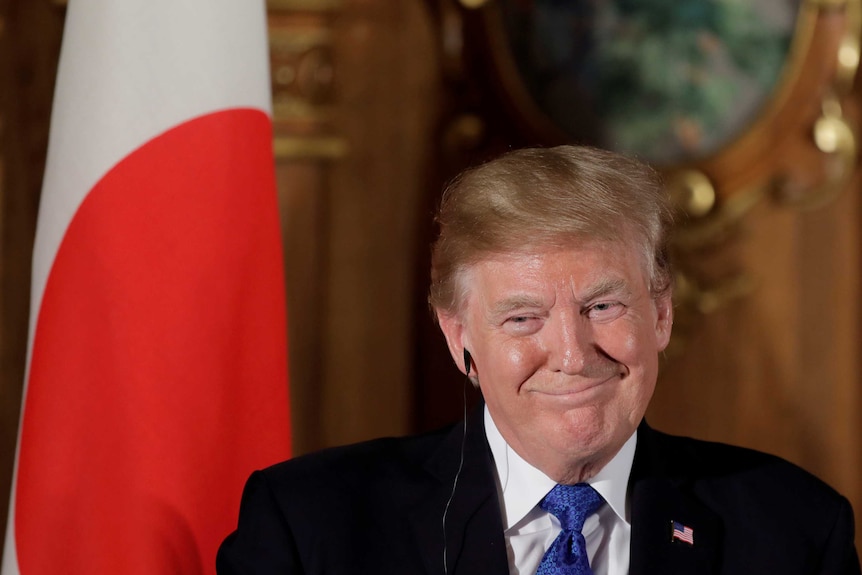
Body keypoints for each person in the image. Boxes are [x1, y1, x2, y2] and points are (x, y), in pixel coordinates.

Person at [216, 145, 860, 574]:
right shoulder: (311, 527)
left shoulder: (794, 531)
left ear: (661, 313)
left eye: (603, 307)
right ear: (458, 338)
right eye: (523, 318)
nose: (573, 355)